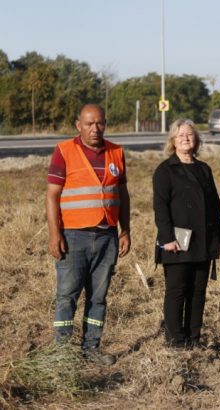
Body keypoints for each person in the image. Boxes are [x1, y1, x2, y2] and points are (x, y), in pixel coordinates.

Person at [46, 104, 131, 365]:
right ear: (78, 125)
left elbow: (122, 194)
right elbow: (52, 195)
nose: (95, 129)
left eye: (100, 123)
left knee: (98, 297)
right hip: (73, 236)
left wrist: (125, 230)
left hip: (107, 237)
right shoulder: (64, 151)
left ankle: (91, 348)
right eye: (89, 124)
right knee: (67, 295)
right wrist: (54, 233)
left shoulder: (116, 152)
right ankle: (62, 352)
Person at [153, 119, 220, 349]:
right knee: (177, 290)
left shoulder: (204, 169)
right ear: (173, 141)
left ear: (196, 140)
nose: (186, 138)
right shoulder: (165, 170)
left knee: (198, 292)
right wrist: (167, 239)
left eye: (190, 135)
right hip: (177, 242)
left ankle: (194, 338)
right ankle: (176, 339)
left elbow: (215, 205)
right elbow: (160, 207)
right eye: (180, 135)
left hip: (203, 242)